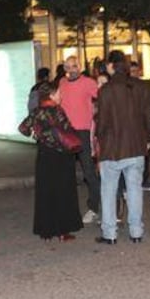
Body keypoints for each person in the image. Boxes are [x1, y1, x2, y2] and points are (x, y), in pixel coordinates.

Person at [93, 50, 150, 244]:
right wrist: (148, 138)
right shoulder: (141, 87)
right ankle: (136, 231)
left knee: (108, 190)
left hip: (112, 148)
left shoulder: (106, 90)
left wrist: (99, 141)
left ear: (111, 66)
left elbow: (101, 122)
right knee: (134, 189)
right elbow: (147, 117)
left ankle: (110, 233)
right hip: (135, 146)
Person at [19, 81, 83, 241]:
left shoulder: (37, 111)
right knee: (63, 192)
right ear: (52, 95)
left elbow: (23, 128)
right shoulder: (57, 111)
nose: (61, 96)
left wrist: (38, 135)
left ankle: (46, 231)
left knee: (46, 192)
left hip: (44, 155)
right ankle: (63, 230)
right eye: (59, 93)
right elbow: (68, 129)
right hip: (61, 156)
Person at [56, 55, 101, 223]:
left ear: (80, 66)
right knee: (66, 173)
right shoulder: (62, 82)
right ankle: (68, 208)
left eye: (73, 66)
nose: (70, 70)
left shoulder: (88, 82)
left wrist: (94, 115)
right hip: (66, 132)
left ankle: (94, 208)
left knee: (88, 171)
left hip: (82, 131)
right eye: (67, 67)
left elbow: (102, 98)